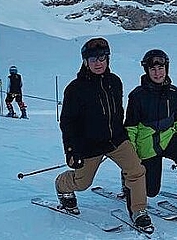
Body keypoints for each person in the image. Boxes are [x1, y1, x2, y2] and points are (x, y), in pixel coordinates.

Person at [55, 38, 154, 234]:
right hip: (89, 145)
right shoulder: (75, 89)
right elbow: (67, 122)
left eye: (102, 58)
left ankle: (139, 211)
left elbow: (118, 111)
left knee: (136, 171)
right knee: (82, 183)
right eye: (93, 59)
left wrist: (125, 135)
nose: (98, 63)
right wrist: (71, 150)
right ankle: (62, 184)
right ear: (85, 62)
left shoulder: (114, 82)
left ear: (108, 59)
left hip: (117, 140)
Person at [124, 49, 177, 219]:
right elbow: (131, 128)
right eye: (153, 69)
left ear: (166, 68)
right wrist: (131, 156)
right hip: (147, 144)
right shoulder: (137, 96)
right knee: (152, 190)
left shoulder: (173, 92)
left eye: (161, 68)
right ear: (147, 71)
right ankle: (129, 182)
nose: (157, 73)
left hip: (169, 137)